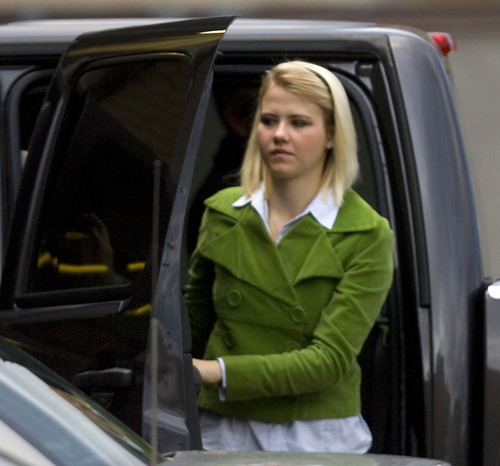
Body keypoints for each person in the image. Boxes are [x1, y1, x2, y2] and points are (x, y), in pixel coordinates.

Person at [184, 60, 394, 453]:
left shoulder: (366, 233)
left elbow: (327, 361)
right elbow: (189, 325)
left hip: (316, 434)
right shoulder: (222, 211)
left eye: (299, 123)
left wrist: (215, 371)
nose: (280, 135)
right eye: (268, 121)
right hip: (223, 427)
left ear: (332, 135)